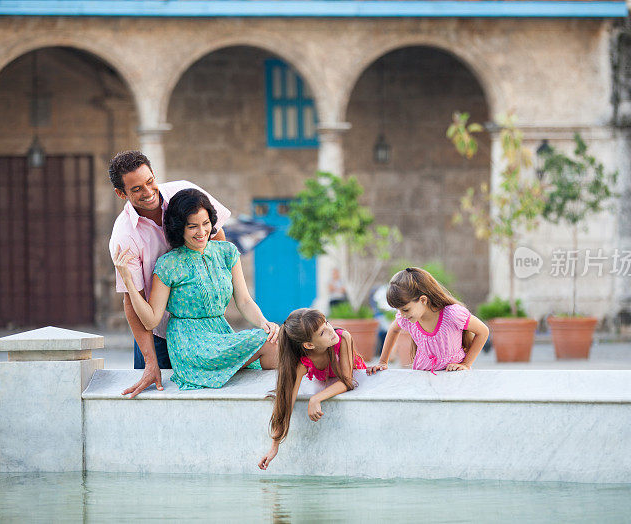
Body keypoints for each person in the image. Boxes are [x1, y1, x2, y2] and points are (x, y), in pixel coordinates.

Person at [114, 189, 279, 390]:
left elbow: (244, 300)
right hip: (189, 343)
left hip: (220, 333)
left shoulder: (227, 252)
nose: (201, 232)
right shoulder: (168, 264)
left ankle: (270, 410)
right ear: (179, 228)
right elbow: (151, 320)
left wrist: (264, 323)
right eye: (192, 226)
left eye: (206, 223)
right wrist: (129, 282)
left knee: (274, 339)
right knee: (268, 344)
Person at [108, 150, 232, 398]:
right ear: (121, 194)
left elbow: (217, 241)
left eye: (150, 180)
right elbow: (133, 302)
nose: (148, 191)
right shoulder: (124, 237)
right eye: (137, 189)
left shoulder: (185, 193)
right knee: (153, 402)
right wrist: (151, 362)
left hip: (204, 324)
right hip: (158, 334)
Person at [258, 308, 366, 470]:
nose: (331, 330)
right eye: (322, 332)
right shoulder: (303, 362)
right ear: (309, 345)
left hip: (352, 376)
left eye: (327, 323)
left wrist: (316, 398)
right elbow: (286, 402)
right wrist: (275, 445)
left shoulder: (343, 337)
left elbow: (348, 381)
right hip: (325, 376)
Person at [367, 267, 489, 375]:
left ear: (423, 300)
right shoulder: (407, 319)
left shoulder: (452, 314)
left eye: (405, 309)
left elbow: (483, 331)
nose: (402, 315)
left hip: (453, 374)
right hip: (422, 375)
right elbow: (393, 330)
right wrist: (383, 362)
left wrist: (466, 364)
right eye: (399, 311)